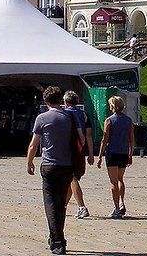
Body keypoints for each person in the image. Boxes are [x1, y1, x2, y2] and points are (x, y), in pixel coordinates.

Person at [27, 85, 85, 256]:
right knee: (61, 204)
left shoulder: (42, 118)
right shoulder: (71, 117)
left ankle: (58, 243)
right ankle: (56, 238)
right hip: (67, 165)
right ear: (61, 100)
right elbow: (81, 139)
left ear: (45, 101)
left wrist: (29, 161)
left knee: (51, 205)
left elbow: (33, 143)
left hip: (49, 165)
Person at [96, 95, 134, 218]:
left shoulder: (109, 120)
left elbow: (105, 139)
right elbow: (131, 139)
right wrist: (130, 154)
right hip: (123, 152)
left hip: (112, 153)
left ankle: (116, 208)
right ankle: (122, 202)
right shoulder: (128, 120)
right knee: (120, 179)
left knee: (113, 182)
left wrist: (100, 155)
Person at [62, 90, 94, 220]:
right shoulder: (84, 114)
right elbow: (89, 136)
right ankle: (63, 206)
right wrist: (91, 154)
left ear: (65, 102)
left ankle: (82, 207)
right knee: (72, 179)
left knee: (72, 177)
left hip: (67, 149)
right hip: (81, 150)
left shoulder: (64, 114)